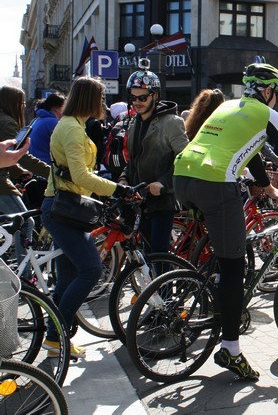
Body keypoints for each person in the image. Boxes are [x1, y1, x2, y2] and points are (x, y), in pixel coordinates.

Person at [173, 62, 278, 381]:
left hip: (183, 176)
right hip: (215, 183)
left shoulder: (229, 106)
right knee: (236, 266)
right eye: (276, 93)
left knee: (223, 252)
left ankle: (213, 289)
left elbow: (251, 151)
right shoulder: (266, 114)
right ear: (269, 90)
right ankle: (231, 350)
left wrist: (266, 185)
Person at [40, 77, 136, 358]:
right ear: (90, 99)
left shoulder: (74, 125)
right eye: (101, 97)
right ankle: (58, 333)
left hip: (68, 208)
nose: (104, 104)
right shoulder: (71, 128)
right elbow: (81, 175)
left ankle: (55, 341)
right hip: (62, 210)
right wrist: (118, 188)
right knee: (91, 270)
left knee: (68, 278)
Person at [119, 68, 189, 255]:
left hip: (161, 200)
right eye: (133, 98)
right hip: (139, 200)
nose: (137, 102)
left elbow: (185, 157)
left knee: (159, 254)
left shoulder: (171, 122)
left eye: (142, 98)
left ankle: (164, 285)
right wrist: (124, 178)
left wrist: (164, 182)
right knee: (144, 253)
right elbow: (133, 160)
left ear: (155, 95)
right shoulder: (135, 122)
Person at [0, 85, 50, 263]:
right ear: (11, 102)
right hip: (1, 185)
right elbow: (21, 156)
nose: (23, 106)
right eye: (20, 102)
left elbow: (5, 157)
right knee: (25, 222)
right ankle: (25, 273)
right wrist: (51, 172)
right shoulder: (7, 122)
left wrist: (20, 173)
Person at [29, 93, 65, 164]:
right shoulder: (53, 122)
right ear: (56, 109)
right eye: (65, 107)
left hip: (35, 164)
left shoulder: (37, 120)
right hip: (46, 167)